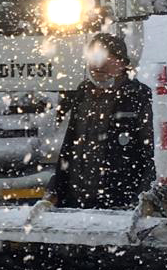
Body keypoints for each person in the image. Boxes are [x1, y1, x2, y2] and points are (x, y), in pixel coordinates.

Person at [50, 32, 156, 210]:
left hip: (120, 202)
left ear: (123, 63)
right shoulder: (82, 93)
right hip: (76, 201)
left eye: (107, 58)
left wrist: (140, 199)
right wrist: (55, 189)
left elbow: (150, 154)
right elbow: (67, 148)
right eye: (94, 57)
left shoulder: (138, 96)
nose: (98, 64)